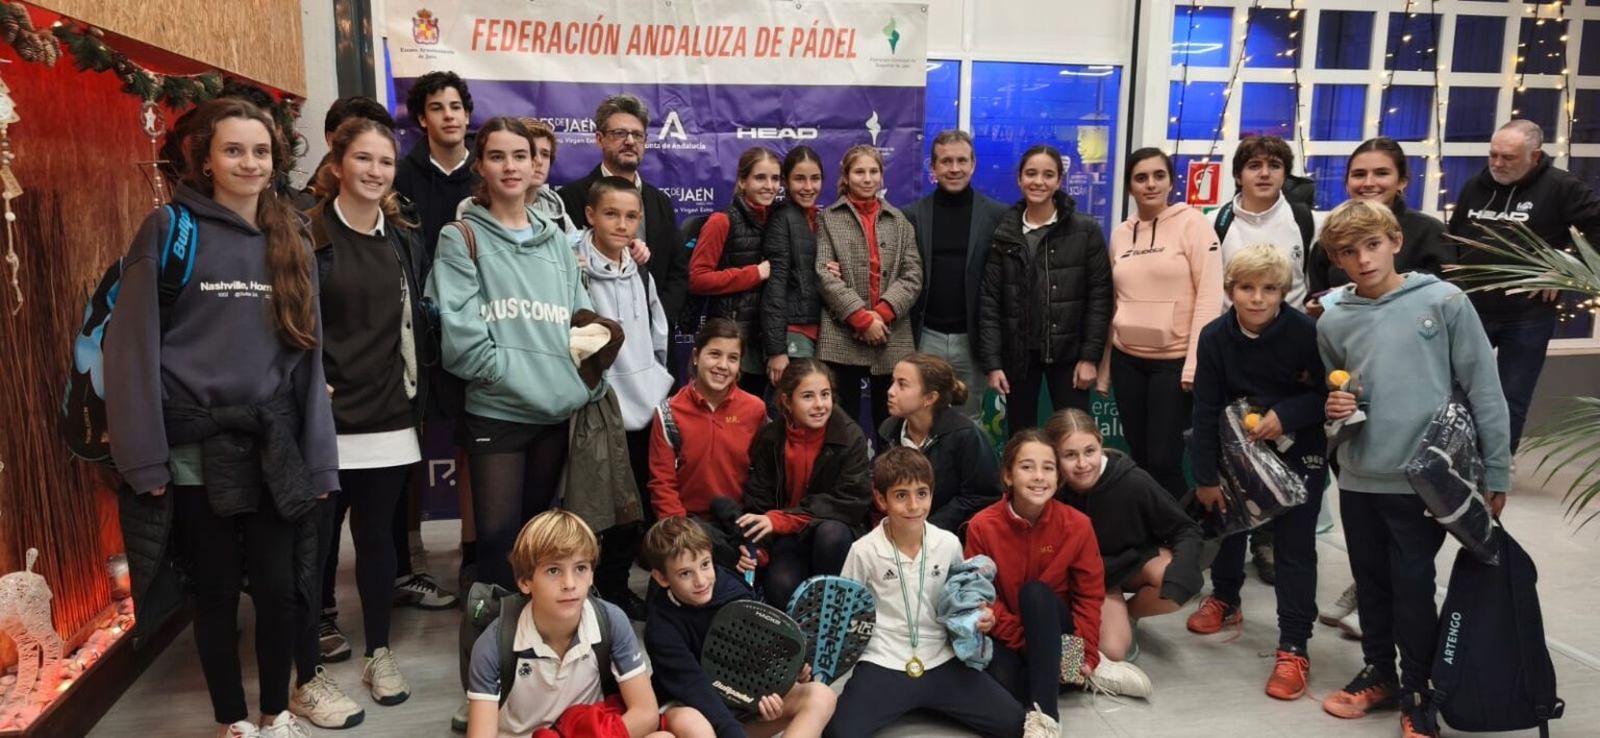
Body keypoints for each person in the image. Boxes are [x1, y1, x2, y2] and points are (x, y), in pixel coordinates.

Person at [105, 97, 335, 738]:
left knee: (281, 589)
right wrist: (142, 457)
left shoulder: (292, 233)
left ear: (275, 157)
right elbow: (132, 347)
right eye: (233, 149)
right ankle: (233, 720)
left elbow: (310, 362)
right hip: (193, 446)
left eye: (260, 150)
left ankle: (276, 712)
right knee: (213, 592)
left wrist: (319, 457)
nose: (249, 162)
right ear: (204, 159)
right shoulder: (168, 230)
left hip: (273, 444)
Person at [1317, 199, 1511, 738]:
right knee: (1371, 583)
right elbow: (1337, 394)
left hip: (1423, 480)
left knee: (1412, 584)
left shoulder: (1444, 301)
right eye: (1349, 252)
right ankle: (1380, 673)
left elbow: (1485, 389)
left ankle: (1420, 688)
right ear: (1337, 258)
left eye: (1373, 245)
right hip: (1358, 476)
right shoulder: (1334, 318)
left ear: (1395, 241)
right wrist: (1333, 410)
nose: (1364, 259)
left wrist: (1497, 472)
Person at [287, 117, 430, 730]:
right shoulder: (306, 234)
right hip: (325, 421)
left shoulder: (402, 238)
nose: (375, 172)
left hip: (390, 417)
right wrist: (300, 380)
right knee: (313, 547)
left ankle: (379, 653)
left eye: (386, 162)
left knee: (378, 543)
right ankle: (308, 666)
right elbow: (286, 320)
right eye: (364, 159)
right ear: (337, 163)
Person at [425, 116, 602, 595]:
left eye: (520, 156)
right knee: (499, 545)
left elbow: (578, 321)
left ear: (535, 163)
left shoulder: (557, 242)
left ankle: (537, 648)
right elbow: (460, 337)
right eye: (498, 156)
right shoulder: (460, 236)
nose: (510, 166)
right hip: (497, 412)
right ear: (480, 164)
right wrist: (506, 374)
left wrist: (585, 380)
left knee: (537, 544)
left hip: (552, 412)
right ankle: (493, 657)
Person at [1187, 244, 1329, 701]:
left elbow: (1325, 396)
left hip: (1297, 448)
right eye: (1246, 288)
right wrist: (1205, 477)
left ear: (1283, 292)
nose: (1257, 298)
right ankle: (1226, 598)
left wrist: (1286, 415)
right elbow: (1205, 408)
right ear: (1230, 290)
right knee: (1230, 525)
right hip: (1235, 448)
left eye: (1269, 289)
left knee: (1294, 545)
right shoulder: (1213, 336)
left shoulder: (1305, 333)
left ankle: (1294, 644)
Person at [826, 449, 1028, 738]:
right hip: (884, 660)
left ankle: (927, 699)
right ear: (881, 499)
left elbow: (963, 601)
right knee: (838, 733)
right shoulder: (864, 550)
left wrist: (980, 618)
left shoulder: (947, 544)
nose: (913, 505)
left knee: (1013, 722)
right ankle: (911, 699)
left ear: (932, 494)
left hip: (941, 657)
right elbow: (844, 612)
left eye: (922, 494)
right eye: (901, 495)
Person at [465, 511, 706, 738]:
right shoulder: (495, 644)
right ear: (525, 581)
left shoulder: (610, 620)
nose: (569, 583)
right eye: (553, 570)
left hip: (595, 731)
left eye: (580, 568)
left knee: (682, 723)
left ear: (592, 574)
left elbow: (645, 714)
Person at [965, 431, 1145, 729]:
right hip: (1010, 633)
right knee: (1003, 681)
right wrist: (1035, 645)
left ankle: (1046, 718)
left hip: (1058, 628)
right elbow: (981, 598)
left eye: (1048, 468)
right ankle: (1074, 675)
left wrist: (1084, 652)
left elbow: (1088, 597)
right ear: (1008, 476)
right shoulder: (982, 526)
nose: (1039, 477)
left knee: (1035, 593)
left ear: (1058, 477)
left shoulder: (1077, 525)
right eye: (1027, 467)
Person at [1448, 119, 1600, 452]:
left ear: (1535, 156)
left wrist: (1568, 269)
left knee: (1511, 396)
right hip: (1472, 307)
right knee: (1454, 389)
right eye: (1493, 155)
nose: (1498, 164)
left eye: (1509, 158)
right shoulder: (1476, 185)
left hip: (1527, 315)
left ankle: (1497, 466)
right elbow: (1455, 236)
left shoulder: (1562, 187)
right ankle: (1452, 462)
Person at [393, 69, 476, 613]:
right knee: (409, 449)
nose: (449, 115)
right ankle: (410, 558)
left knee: (476, 443)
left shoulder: (488, 174)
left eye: (456, 106)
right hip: (414, 334)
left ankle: (474, 550)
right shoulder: (399, 175)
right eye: (437, 107)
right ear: (421, 117)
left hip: (476, 332)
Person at [641, 516, 838, 738]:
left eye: (705, 565)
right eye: (685, 573)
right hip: (692, 709)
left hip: (740, 704)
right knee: (695, 725)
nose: (701, 581)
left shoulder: (734, 590)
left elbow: (761, 652)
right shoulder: (661, 628)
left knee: (821, 696)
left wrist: (776, 688)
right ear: (661, 577)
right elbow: (695, 688)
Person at [1100, 147, 1223, 500]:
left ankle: (1184, 536)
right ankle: (1151, 536)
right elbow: (1115, 302)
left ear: (1171, 181)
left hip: (1174, 363)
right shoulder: (1121, 233)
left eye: (1158, 176)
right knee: (1140, 457)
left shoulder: (1194, 225)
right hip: (1128, 361)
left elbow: (1209, 297)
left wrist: (1194, 364)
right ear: (1129, 187)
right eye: (1140, 178)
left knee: (1165, 459)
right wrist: (1107, 367)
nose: (1150, 184)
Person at [578, 176, 675, 617]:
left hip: (641, 405)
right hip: (594, 407)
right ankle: (582, 588)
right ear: (590, 216)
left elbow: (657, 332)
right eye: (611, 214)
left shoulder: (639, 268)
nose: (621, 224)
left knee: (630, 510)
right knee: (588, 506)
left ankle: (615, 588)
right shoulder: (572, 264)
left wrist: (655, 379)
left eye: (631, 216)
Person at [978, 144, 1113, 433]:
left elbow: (1100, 299)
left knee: (1074, 436)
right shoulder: (1004, 232)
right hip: (1018, 357)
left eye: (1048, 175)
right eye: (1031, 174)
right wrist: (993, 363)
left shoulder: (1086, 230)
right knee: (1021, 437)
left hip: (1070, 355)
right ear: (1019, 179)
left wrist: (1090, 358)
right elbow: (990, 301)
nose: (1038, 181)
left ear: (1059, 182)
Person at [1049, 408, 1201, 665]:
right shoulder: (1048, 490)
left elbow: (1185, 528)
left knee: (1173, 579)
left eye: (1089, 451)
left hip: (1129, 564)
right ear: (1055, 457)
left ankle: (1130, 616)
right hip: (1082, 579)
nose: (1083, 464)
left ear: (1100, 444)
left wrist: (1184, 577)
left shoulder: (1133, 481)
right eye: (1070, 455)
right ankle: (1098, 635)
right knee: (1113, 652)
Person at [738, 359, 873, 608]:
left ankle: (835, 614)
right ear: (787, 401)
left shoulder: (849, 435)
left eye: (825, 394)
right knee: (781, 587)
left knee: (830, 534)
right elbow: (759, 499)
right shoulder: (770, 437)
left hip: (837, 534)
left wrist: (780, 519)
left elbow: (851, 501)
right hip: (788, 537)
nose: (820, 405)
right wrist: (759, 549)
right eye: (808, 396)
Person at [901, 130, 1010, 421]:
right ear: (933, 168)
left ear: (973, 164)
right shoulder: (911, 215)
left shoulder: (997, 215)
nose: (954, 168)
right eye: (946, 161)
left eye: (962, 160)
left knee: (969, 421)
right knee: (920, 419)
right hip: (925, 336)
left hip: (971, 340)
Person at [815, 145, 924, 427]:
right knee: (841, 423)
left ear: (882, 176)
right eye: (859, 172)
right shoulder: (828, 218)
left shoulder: (899, 221)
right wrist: (862, 319)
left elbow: (913, 275)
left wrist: (881, 315)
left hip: (891, 335)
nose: (867, 178)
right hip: (841, 336)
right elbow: (824, 275)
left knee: (892, 422)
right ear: (846, 177)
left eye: (873, 171)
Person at [648, 318, 770, 565]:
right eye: (714, 354)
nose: (722, 366)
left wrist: (754, 544)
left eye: (733, 358)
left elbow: (766, 480)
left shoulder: (755, 410)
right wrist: (686, 541)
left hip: (739, 525)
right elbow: (662, 486)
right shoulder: (669, 412)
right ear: (695, 356)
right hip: (689, 529)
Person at [560, 95, 688, 328]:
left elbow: (677, 272)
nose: (630, 141)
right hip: (594, 336)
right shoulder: (570, 198)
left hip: (651, 336)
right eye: (620, 133)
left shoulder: (660, 202)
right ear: (599, 139)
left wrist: (657, 319)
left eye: (637, 135)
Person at [1306, 137, 1454, 312]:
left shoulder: (1430, 232)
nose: (1369, 183)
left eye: (1381, 173)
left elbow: (1451, 299)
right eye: (1359, 174)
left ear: (1402, 181)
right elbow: (1316, 295)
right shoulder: (1332, 236)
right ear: (1347, 183)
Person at [688, 147, 782, 397]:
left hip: (766, 341)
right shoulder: (722, 221)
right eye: (760, 177)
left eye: (775, 178)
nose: (769, 185)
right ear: (742, 181)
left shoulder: (778, 220)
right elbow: (698, 279)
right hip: (730, 338)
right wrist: (754, 273)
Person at [877, 353, 1000, 533]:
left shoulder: (966, 436)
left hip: (951, 537)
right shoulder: (888, 431)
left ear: (929, 398)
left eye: (902, 385)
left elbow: (982, 496)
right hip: (902, 532)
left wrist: (930, 529)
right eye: (892, 382)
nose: (890, 391)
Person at [1206, 135, 1315, 313]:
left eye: (1274, 166)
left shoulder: (1308, 221)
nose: (1265, 173)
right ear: (1238, 176)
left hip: (1292, 335)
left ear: (1285, 175)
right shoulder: (1213, 223)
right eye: (1254, 165)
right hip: (1230, 335)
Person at [761, 146, 826, 386]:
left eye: (815, 178)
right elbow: (775, 285)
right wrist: (777, 349)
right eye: (799, 179)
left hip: (817, 332)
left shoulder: (817, 218)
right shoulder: (782, 219)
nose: (808, 187)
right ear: (786, 182)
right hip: (793, 335)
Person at [526, 119, 578, 234]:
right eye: (530, 152)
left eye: (545, 154)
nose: (539, 161)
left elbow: (574, 249)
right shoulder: (483, 210)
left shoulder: (555, 206)